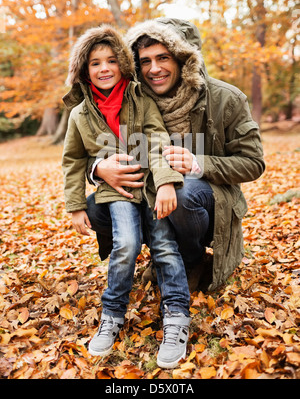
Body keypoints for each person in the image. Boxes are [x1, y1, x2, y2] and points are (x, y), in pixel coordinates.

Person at [90, 18, 265, 293]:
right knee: (95, 207)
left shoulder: (226, 99)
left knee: (184, 192)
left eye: (163, 58)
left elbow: (254, 163)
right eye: (145, 61)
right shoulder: (129, 101)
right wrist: (99, 168)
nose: (154, 69)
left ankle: (192, 258)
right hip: (151, 194)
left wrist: (198, 163)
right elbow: (92, 144)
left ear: (184, 59)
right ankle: (164, 254)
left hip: (207, 201)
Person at [62, 24, 191, 369]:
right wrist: (76, 205)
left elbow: (159, 138)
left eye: (110, 60)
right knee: (126, 246)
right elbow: (73, 159)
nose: (104, 68)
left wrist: (165, 181)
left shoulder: (140, 97)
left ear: (122, 62)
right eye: (94, 63)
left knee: (164, 245)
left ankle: (177, 315)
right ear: (84, 70)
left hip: (149, 186)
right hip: (114, 191)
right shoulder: (79, 114)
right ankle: (112, 313)